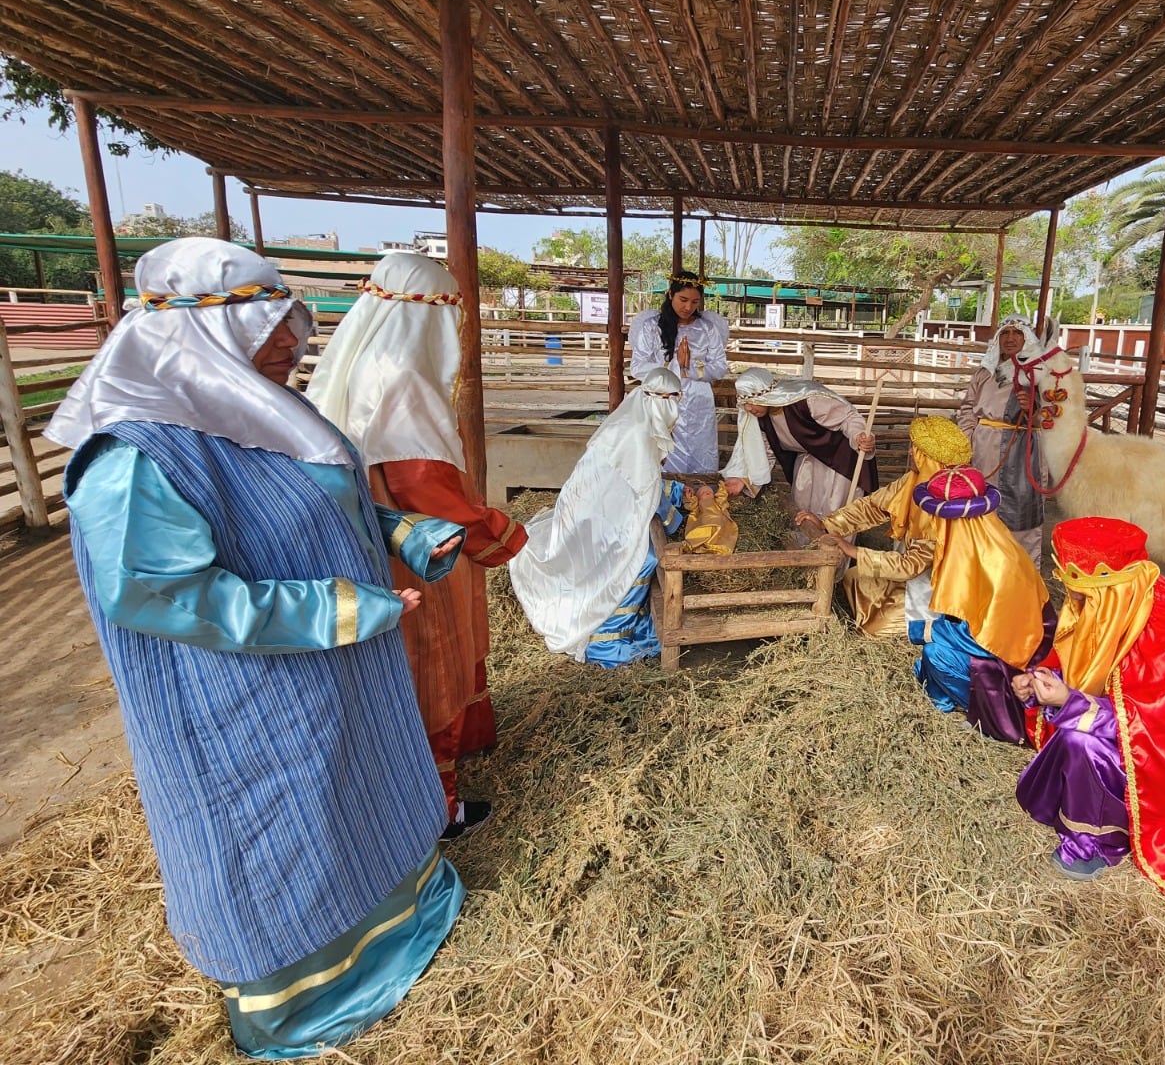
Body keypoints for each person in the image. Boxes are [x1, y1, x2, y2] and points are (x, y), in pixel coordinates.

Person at [46, 238, 467, 1059]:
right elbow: (161, 594)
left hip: (335, 665)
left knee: (355, 788)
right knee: (283, 828)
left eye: (290, 322)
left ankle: (401, 927)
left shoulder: (259, 409)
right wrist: (336, 608)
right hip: (247, 696)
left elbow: (312, 505)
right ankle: (307, 1000)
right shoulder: (135, 453)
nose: (289, 342)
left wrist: (404, 533)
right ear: (191, 335)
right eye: (262, 326)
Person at [305, 250, 528, 840]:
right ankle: (436, 806)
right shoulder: (404, 378)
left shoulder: (359, 364)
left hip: (370, 538)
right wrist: (498, 534)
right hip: (422, 550)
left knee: (398, 663)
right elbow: (425, 486)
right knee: (434, 660)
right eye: (450, 312)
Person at [1012, 517, 1165, 894]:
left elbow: (1150, 732)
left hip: (1163, 766)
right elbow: (1075, 665)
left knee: (1080, 742)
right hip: (1116, 727)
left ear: (1112, 587)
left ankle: (1095, 843)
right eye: (1070, 590)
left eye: (1084, 595)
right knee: (1076, 734)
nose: (1073, 603)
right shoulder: (1104, 606)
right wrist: (1039, 682)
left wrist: (1069, 702)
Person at [509, 368, 687, 666]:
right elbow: (645, 490)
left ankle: (632, 623)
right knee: (643, 559)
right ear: (663, 401)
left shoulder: (633, 421)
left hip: (599, 510)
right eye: (672, 402)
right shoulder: (636, 434)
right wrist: (675, 520)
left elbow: (636, 483)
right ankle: (607, 639)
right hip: (595, 520)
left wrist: (676, 496)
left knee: (643, 550)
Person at [796, 414, 970, 640]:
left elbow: (910, 566)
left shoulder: (943, 506)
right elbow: (873, 506)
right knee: (855, 578)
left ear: (929, 458)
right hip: (910, 574)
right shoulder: (914, 481)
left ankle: (935, 628)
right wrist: (829, 523)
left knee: (875, 629)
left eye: (915, 449)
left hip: (936, 588)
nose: (910, 452)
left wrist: (853, 551)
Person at [902, 464, 1054, 719]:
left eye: (937, 518)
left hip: (1014, 670)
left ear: (952, 521)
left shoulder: (999, 567)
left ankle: (984, 709)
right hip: (1001, 648)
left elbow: (989, 641)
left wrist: (924, 630)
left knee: (936, 654)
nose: (934, 524)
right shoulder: (985, 544)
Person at [721, 366, 877, 532]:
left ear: (766, 395)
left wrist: (858, 435)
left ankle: (836, 548)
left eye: (751, 401)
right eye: (743, 403)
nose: (748, 408)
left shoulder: (808, 401)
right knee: (801, 509)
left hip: (840, 460)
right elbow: (762, 453)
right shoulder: (761, 420)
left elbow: (848, 417)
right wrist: (744, 479)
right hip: (806, 460)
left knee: (834, 509)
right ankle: (807, 548)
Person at [956, 314, 1050, 565]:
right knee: (981, 505)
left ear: (1026, 338)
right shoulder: (984, 373)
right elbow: (968, 407)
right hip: (982, 449)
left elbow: (1055, 415)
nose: (1010, 338)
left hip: (1021, 450)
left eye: (1017, 333)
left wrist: (1033, 410)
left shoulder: (1040, 374)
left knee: (1019, 510)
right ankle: (982, 568)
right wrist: (967, 440)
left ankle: (1020, 572)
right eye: (1005, 333)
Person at [628, 272, 729, 474]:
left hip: (699, 402)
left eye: (694, 302)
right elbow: (637, 367)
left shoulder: (707, 328)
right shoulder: (652, 327)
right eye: (683, 300)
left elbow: (719, 367)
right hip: (662, 400)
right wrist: (676, 365)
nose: (688, 307)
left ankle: (700, 488)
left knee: (700, 448)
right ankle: (664, 490)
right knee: (664, 450)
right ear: (670, 294)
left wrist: (690, 368)